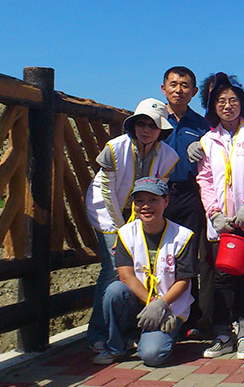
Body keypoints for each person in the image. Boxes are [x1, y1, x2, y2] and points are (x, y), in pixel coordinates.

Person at [85, 99, 178, 353]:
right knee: (113, 268)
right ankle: (98, 333)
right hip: (108, 212)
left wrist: (140, 223)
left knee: (138, 269)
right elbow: (105, 190)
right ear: (133, 125)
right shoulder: (115, 148)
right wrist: (120, 231)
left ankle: (127, 330)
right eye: (141, 124)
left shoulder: (169, 156)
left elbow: (157, 190)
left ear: (161, 130)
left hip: (141, 215)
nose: (146, 129)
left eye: (153, 125)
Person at [196, 73, 244, 360]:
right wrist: (215, 213)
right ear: (212, 106)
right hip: (222, 224)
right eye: (220, 101)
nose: (227, 106)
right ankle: (222, 335)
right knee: (222, 279)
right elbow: (204, 179)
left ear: (241, 103)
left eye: (232, 100)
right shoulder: (208, 139)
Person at [93, 177, 196, 366]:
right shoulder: (126, 233)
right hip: (141, 302)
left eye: (153, 200)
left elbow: (184, 280)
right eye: (140, 201)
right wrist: (152, 303)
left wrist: (162, 305)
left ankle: (150, 339)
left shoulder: (183, 236)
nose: (146, 206)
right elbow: (125, 276)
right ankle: (115, 347)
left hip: (169, 308)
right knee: (114, 290)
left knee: (152, 356)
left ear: (166, 201)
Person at [160, 67, 213, 334]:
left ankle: (191, 318)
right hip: (160, 195)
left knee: (189, 256)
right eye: (173, 84)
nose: (178, 90)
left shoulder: (201, 125)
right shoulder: (152, 121)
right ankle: (160, 313)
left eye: (184, 86)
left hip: (192, 195)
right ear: (163, 89)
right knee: (162, 255)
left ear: (193, 92)